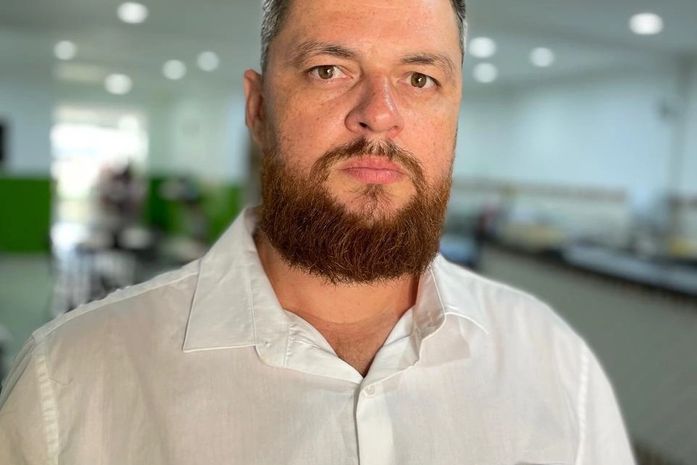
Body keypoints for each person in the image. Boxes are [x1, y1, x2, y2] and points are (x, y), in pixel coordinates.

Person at [0, 0, 636, 463]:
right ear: (258, 109)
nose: (379, 115)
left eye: (420, 79)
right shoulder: (71, 380)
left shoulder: (557, 366)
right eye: (330, 69)